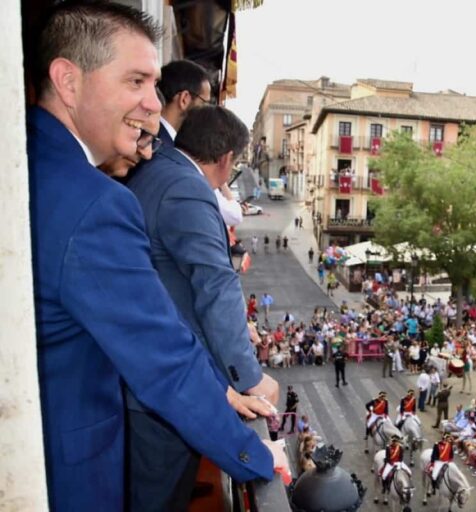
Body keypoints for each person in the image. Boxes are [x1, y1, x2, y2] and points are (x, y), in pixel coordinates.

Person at [27, 4, 285, 511]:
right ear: (68, 81)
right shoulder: (93, 201)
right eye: (137, 81)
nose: (154, 103)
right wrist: (256, 457)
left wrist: (222, 391)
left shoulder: (36, 161)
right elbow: (162, 357)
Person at [127, 105, 277, 508]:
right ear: (227, 160)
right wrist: (249, 376)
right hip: (161, 385)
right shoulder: (185, 187)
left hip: (143, 376)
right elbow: (215, 284)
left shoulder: (155, 171)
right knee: (159, 498)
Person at [154, 59, 243, 228]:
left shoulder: (163, 142)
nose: (208, 111)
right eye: (205, 102)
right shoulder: (160, 149)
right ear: (185, 99)